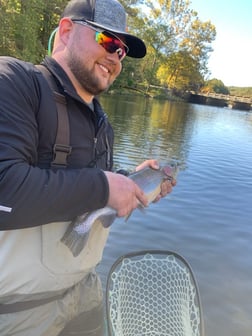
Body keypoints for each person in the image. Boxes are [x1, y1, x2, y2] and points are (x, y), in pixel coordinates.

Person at [0, 0, 176, 335]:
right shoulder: (14, 83)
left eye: (121, 51)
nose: (115, 58)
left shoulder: (102, 124)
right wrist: (105, 187)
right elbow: (4, 188)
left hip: (86, 292)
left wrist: (132, 183)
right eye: (107, 41)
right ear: (66, 31)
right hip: (20, 313)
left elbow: (87, 191)